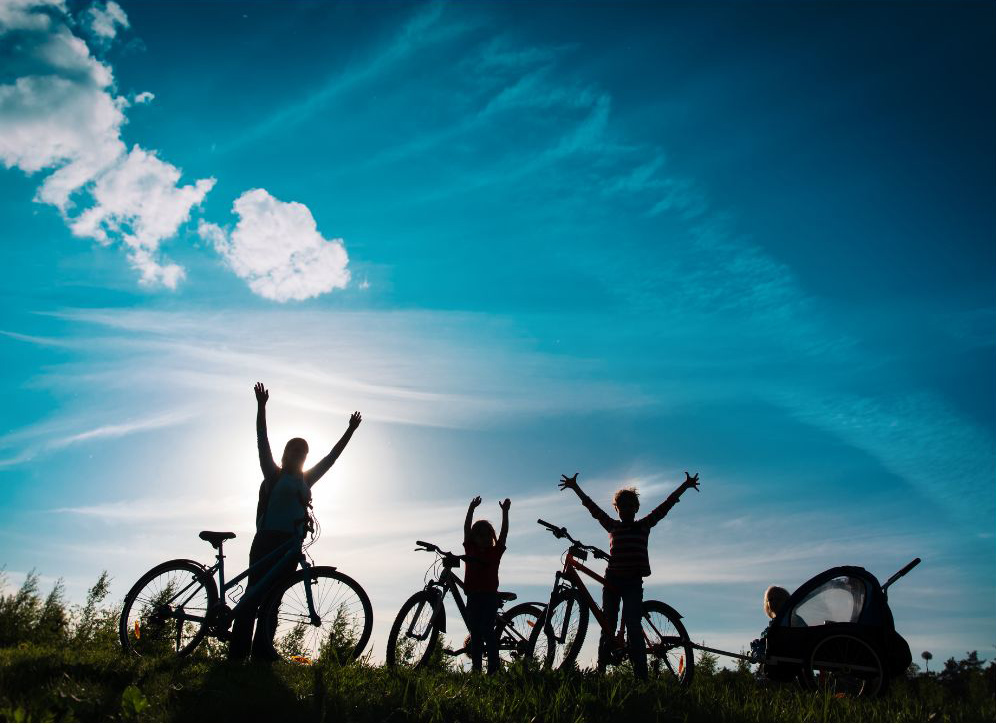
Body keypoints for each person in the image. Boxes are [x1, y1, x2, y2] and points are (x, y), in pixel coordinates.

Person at [229, 381, 362, 662]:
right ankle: (236, 656)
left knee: (274, 601)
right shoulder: (273, 474)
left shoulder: (306, 479)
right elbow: (261, 439)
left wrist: (349, 430)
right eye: (294, 452)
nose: (299, 456)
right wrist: (261, 407)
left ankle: (262, 657)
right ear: (285, 454)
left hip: (291, 545)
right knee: (253, 597)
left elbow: (331, 458)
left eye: (303, 454)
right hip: (267, 541)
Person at [558, 471, 700, 679]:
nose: (626, 509)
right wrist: (576, 488)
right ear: (616, 509)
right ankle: (601, 670)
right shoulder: (612, 526)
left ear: (636, 508)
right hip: (613, 580)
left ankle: (641, 676)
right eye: (622, 506)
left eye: (630, 506)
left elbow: (665, 506)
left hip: (633, 581)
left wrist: (684, 486)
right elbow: (593, 510)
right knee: (608, 625)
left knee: (633, 627)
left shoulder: (643, 525)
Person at [462, 495, 510, 675]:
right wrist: (471, 509)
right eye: (479, 535)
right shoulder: (470, 549)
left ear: (492, 537)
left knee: (488, 633)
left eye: (487, 535)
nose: (483, 538)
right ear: (474, 537)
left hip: (489, 597)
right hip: (473, 596)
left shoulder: (495, 552)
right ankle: (476, 670)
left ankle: (493, 669)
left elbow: (504, 534)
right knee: (475, 634)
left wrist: (505, 513)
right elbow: (466, 528)